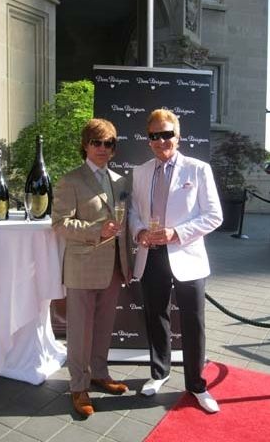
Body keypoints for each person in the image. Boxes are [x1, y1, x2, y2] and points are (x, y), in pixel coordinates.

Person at [129, 109, 223, 413]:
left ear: (178, 136)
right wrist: (139, 230)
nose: (161, 140)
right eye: (154, 136)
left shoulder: (198, 170)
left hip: (187, 255)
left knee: (193, 322)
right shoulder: (140, 171)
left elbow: (214, 216)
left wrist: (176, 233)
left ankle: (196, 385)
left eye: (166, 134)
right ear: (148, 140)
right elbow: (133, 212)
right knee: (156, 316)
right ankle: (159, 372)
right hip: (151, 256)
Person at [52, 118, 130, 417]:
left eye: (108, 143)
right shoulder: (70, 180)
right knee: (80, 330)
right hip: (83, 266)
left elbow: (123, 219)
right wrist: (97, 229)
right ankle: (78, 386)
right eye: (97, 142)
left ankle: (99, 373)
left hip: (113, 266)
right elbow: (59, 224)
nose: (102, 148)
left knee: (104, 326)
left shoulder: (121, 181)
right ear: (85, 144)